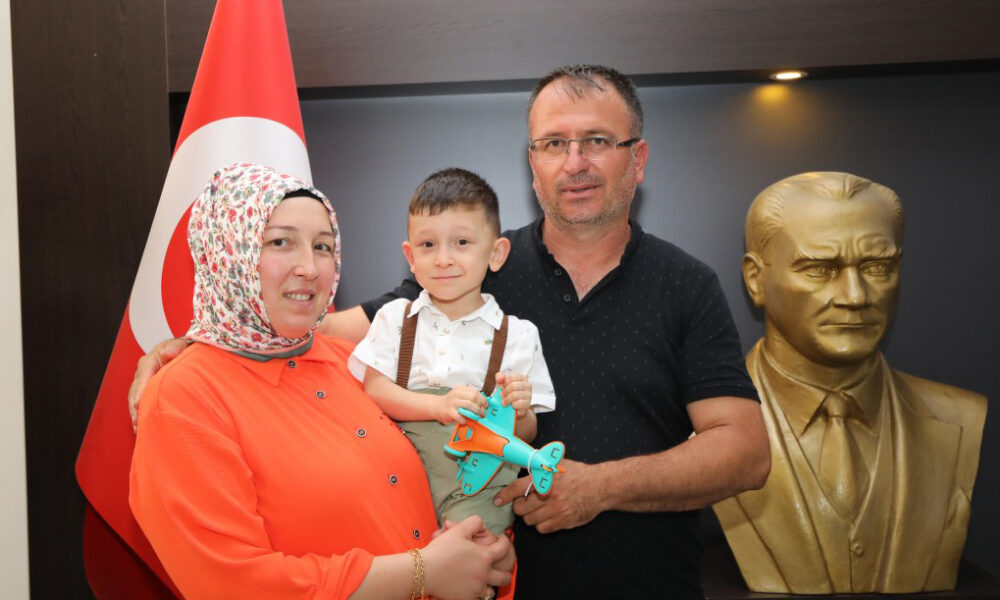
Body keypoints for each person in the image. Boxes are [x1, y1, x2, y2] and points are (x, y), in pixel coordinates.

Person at [132, 65, 770, 599]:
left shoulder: (685, 285)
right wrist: (196, 343)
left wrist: (599, 488)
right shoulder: (464, 267)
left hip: (647, 585)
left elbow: (745, 452)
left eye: (597, 140)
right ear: (532, 164)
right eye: (554, 143)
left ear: (639, 159)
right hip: (491, 579)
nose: (574, 162)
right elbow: (307, 326)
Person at [130, 163, 513, 600]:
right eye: (280, 242)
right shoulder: (182, 396)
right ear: (228, 253)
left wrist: (484, 557)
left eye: (323, 246)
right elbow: (233, 584)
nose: (310, 267)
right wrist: (424, 572)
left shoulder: (358, 362)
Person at [712, 171, 987, 594]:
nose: (856, 296)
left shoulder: (962, 419)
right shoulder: (697, 428)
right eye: (819, 269)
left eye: (877, 267)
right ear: (755, 279)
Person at [348, 168, 556, 536]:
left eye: (461, 242)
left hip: (472, 487)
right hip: (397, 480)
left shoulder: (518, 335)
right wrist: (437, 406)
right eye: (428, 245)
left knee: (472, 549)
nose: (443, 258)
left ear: (496, 253)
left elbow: (525, 433)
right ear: (410, 256)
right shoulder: (395, 318)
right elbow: (375, 389)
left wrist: (519, 409)